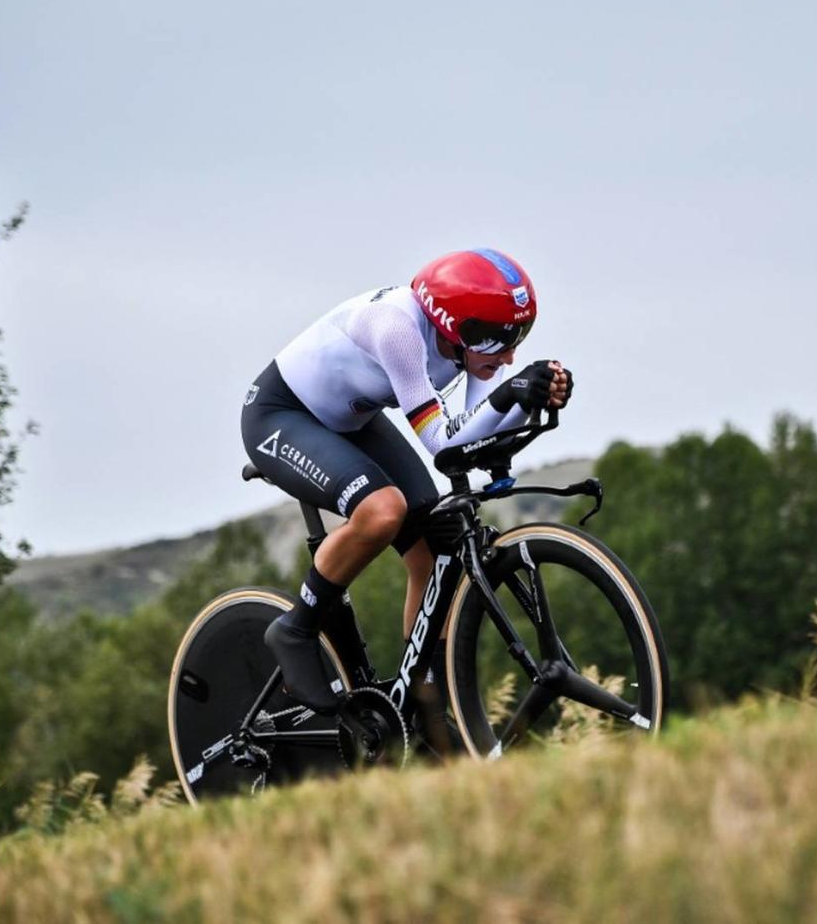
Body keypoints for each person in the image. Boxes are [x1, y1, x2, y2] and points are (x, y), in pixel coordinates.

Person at [241, 248, 573, 720]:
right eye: (499, 337)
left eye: (520, 334)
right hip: (281, 415)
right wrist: (509, 391)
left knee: (436, 548)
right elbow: (441, 443)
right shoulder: (397, 329)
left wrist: (529, 396)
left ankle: (425, 705)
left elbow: (477, 434)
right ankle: (295, 627)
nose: (510, 352)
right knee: (383, 510)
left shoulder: (470, 345)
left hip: (352, 420)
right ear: (454, 326)